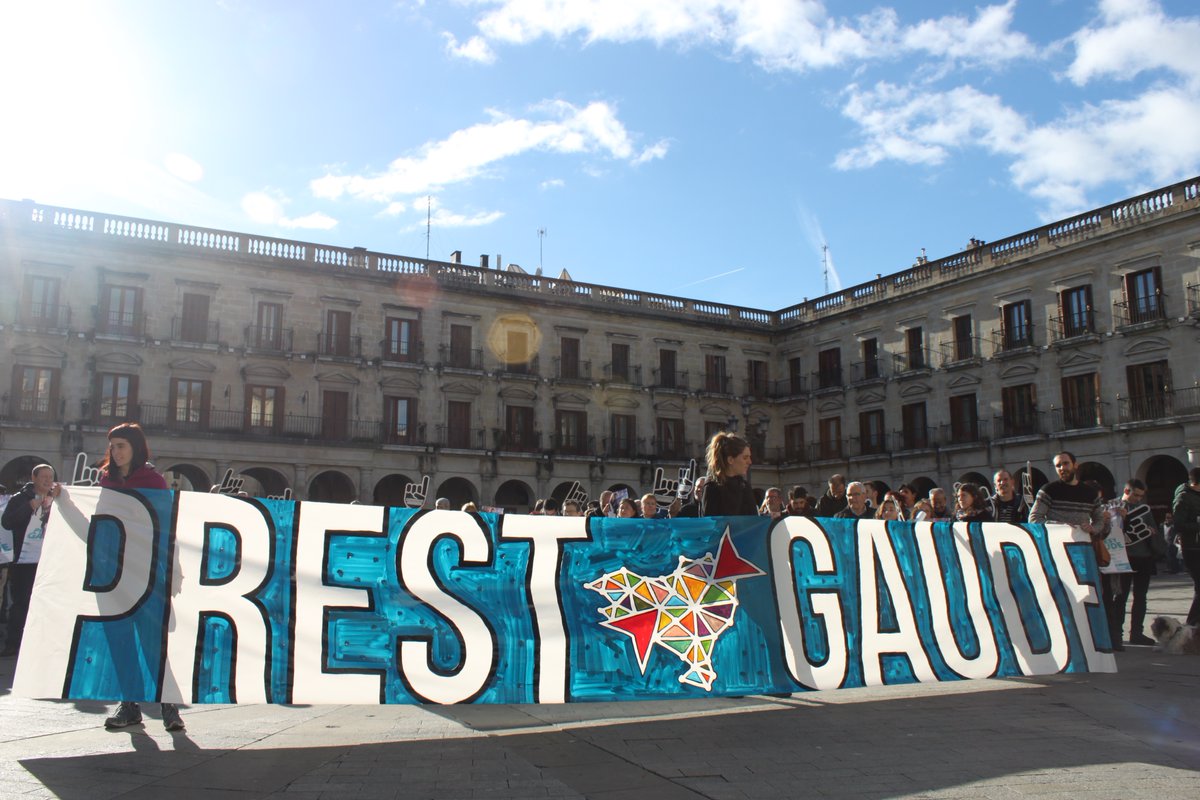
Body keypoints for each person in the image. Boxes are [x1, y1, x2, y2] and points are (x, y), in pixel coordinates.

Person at [92, 424, 184, 732]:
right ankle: (129, 705)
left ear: (135, 447)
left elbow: (167, 527)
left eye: (121, 446)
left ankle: (169, 704)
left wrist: (173, 569)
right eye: (113, 447)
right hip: (113, 573)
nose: (116, 452)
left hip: (147, 570)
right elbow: (99, 522)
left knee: (151, 641)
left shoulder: (153, 481)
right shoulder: (107, 480)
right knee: (120, 640)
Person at [1029, 451, 1116, 649]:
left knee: (1086, 595)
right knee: (1058, 597)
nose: (1062, 468)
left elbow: (1100, 519)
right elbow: (1034, 519)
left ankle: (1087, 640)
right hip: (1056, 554)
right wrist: (1060, 526)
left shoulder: (1089, 493)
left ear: (1075, 465)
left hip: (1083, 554)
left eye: (1065, 464)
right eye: (1058, 465)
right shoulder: (1049, 490)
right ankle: (1061, 640)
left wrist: (1093, 528)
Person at [1, 464, 61, 658]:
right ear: (34, 478)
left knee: (46, 602)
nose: (47, 480)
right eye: (43, 476)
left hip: (48, 560)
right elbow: (7, 522)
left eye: (50, 477)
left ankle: (41, 643)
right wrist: (29, 508)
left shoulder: (57, 498)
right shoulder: (20, 498)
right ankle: (13, 644)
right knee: (21, 603)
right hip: (23, 561)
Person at [1109, 479, 1166, 646]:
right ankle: (1116, 634)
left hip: (1143, 557)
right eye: (1136, 495)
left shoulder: (1144, 509)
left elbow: (1153, 530)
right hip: (1123, 558)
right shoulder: (1113, 506)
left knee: (1141, 597)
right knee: (1120, 597)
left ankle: (1137, 633)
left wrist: (1152, 534)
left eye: (1141, 496)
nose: (1138, 499)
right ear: (1126, 491)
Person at [699, 432, 756, 516]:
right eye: (745, 458)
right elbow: (709, 523)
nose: (750, 462)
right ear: (730, 460)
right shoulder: (711, 487)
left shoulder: (744, 486)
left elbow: (753, 520)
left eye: (749, 457)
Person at [1172, 468, 1200, 626]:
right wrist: (1198, 525)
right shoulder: (1183, 497)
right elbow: (1179, 524)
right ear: (1195, 483)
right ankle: (1191, 624)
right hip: (1192, 548)